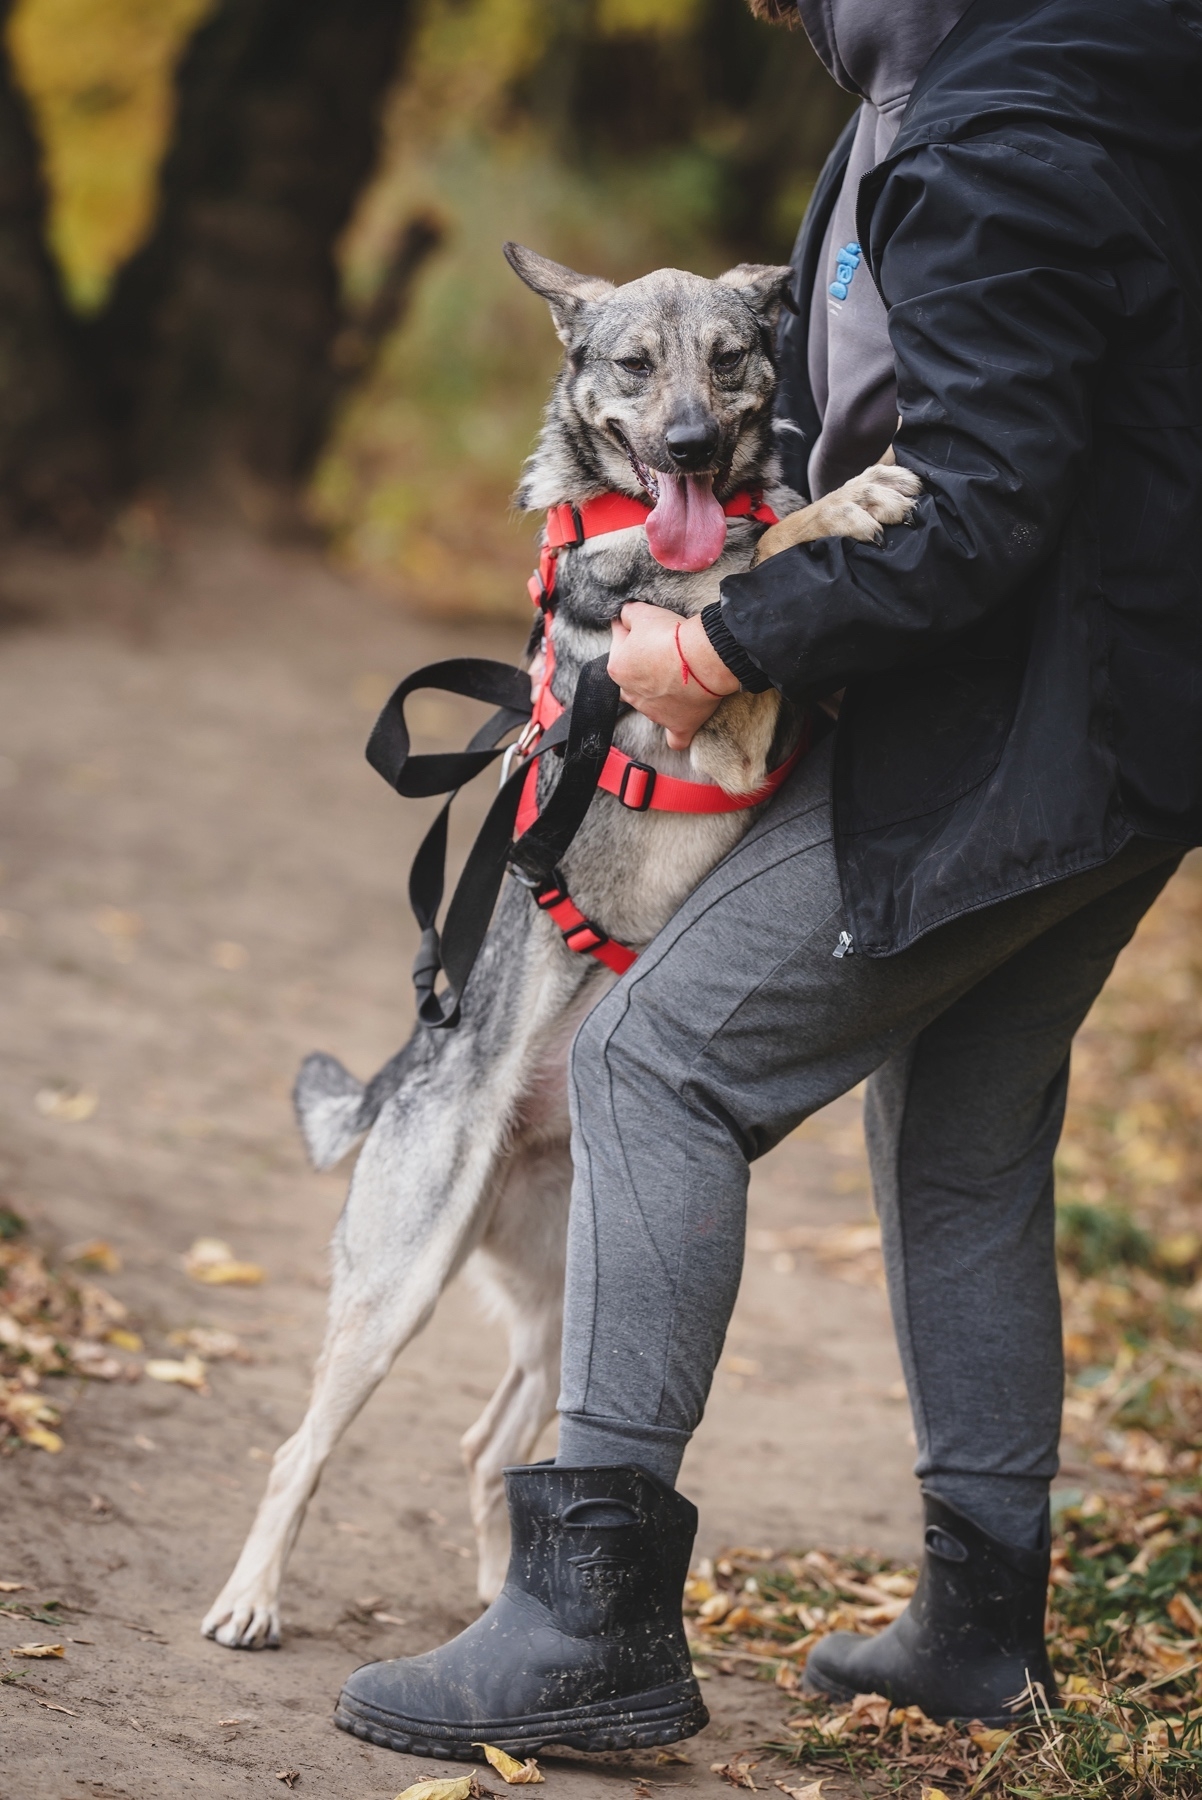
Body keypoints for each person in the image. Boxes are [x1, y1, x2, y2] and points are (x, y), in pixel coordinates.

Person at [334, 0, 1202, 1754]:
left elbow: (972, 499)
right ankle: (979, 1630)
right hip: (1123, 731)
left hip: (1020, 734)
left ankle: (586, 1629)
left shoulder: (996, 140)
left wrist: (721, 644)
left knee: (653, 1065)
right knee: (960, 1138)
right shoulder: (1082, 71)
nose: (782, 16)